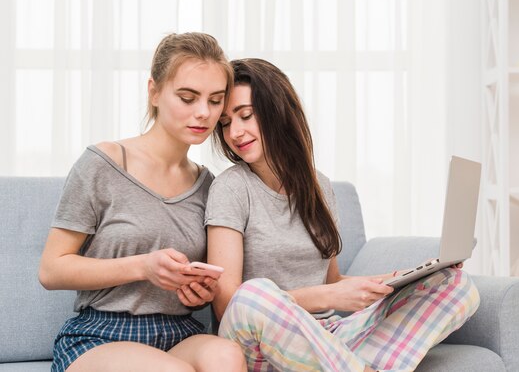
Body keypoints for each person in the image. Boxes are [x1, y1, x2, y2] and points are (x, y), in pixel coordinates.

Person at [204, 58, 481, 372]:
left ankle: (349, 365)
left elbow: (334, 280)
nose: (235, 132)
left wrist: (401, 279)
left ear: (277, 111)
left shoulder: (319, 185)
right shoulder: (231, 188)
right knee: (254, 294)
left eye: (246, 116)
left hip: (330, 341)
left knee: (456, 283)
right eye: (226, 123)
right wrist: (330, 296)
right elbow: (229, 303)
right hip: (260, 346)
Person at [39, 32, 246, 372]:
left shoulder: (209, 185)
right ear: (154, 92)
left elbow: (209, 282)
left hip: (179, 333)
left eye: (214, 100)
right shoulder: (103, 163)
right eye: (188, 97)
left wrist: (200, 292)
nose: (203, 113)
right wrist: (143, 267)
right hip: (100, 336)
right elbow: (51, 269)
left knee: (227, 356)